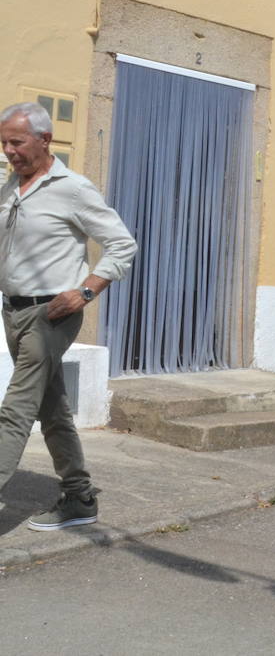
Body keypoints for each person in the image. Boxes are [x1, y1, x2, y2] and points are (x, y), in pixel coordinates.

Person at [0, 102, 137, 531]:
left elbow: (122, 245)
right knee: (51, 407)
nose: (9, 150)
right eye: (4, 142)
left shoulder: (73, 189)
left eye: (16, 142)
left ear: (45, 140)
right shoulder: (10, 187)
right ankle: (79, 497)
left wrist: (85, 291)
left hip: (51, 314)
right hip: (14, 310)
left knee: (16, 407)